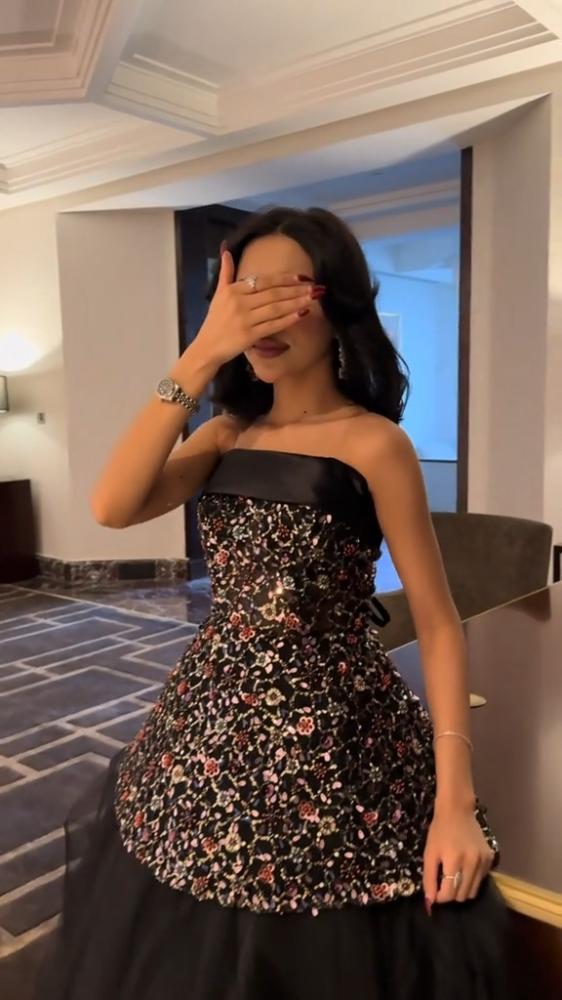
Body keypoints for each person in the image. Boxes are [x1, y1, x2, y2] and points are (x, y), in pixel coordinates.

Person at [38, 207, 508, 999]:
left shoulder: (375, 444)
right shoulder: (225, 434)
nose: (262, 316)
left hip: (337, 742)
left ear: (336, 303)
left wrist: (454, 801)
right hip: (212, 727)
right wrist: (198, 356)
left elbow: (437, 622)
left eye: (287, 293)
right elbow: (113, 507)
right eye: (243, 295)